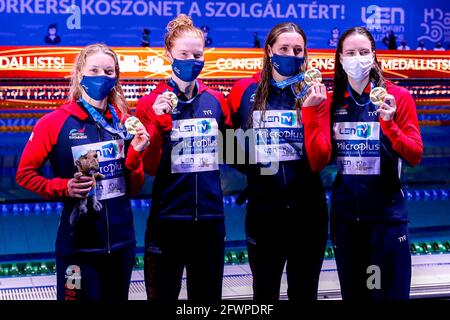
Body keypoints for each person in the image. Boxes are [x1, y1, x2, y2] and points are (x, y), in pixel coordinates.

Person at [16, 43, 150, 300]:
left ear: (116, 77)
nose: (102, 76)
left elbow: (132, 188)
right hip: (77, 248)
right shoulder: (54, 123)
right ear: (79, 74)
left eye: (109, 71)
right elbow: (24, 174)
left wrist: (136, 155)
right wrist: (62, 187)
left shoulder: (121, 122)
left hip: (122, 245)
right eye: (95, 70)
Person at [227, 22, 329, 301]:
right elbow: (228, 146)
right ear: (269, 50)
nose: (291, 55)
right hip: (265, 213)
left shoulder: (316, 94)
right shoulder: (244, 91)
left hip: (309, 214)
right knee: (264, 294)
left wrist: (309, 112)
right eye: (284, 48)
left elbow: (321, 159)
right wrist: (258, 170)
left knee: (304, 292)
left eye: (298, 50)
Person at [135, 14, 232, 302]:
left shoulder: (216, 101)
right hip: (168, 221)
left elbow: (235, 152)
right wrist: (157, 121)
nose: (192, 60)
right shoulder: (148, 103)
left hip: (211, 221)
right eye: (184, 54)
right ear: (169, 55)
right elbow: (150, 167)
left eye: (198, 54)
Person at [328, 27, 423, 300]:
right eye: (350, 52)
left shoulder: (397, 97)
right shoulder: (334, 101)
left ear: (373, 55)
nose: (358, 58)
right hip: (346, 222)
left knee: (386, 296)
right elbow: (320, 156)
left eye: (364, 52)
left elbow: (415, 155)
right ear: (340, 57)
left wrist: (390, 125)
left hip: (386, 221)